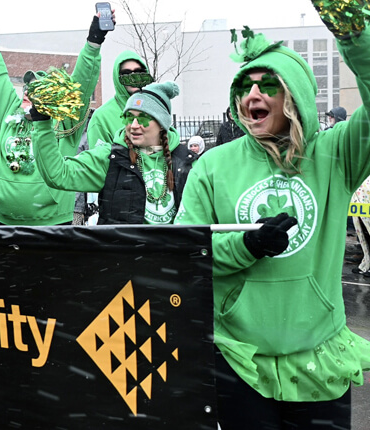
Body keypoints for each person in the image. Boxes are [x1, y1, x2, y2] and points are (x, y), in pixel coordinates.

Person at [174, 7, 370, 428]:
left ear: (293, 94)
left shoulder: (334, 155)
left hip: (319, 354)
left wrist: (355, 39)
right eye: (245, 86)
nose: (252, 95)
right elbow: (185, 248)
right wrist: (245, 246)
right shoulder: (212, 165)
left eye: (268, 86)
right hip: (240, 358)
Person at [0, 12, 102, 226]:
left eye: (37, 89)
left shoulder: (65, 122)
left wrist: (94, 42)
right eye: (27, 87)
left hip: (52, 223)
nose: (29, 91)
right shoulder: (10, 114)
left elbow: (81, 85)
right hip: (5, 222)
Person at [33, 81, 196, 225]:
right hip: (124, 256)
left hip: (173, 256)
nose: (133, 125)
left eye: (143, 118)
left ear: (162, 123)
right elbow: (57, 173)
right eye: (128, 117)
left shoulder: (188, 162)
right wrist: (42, 124)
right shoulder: (110, 158)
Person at [86, 50, 152, 148]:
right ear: (118, 77)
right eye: (126, 73)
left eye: (138, 71)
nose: (133, 77)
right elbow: (99, 160)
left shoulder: (155, 109)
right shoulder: (101, 117)